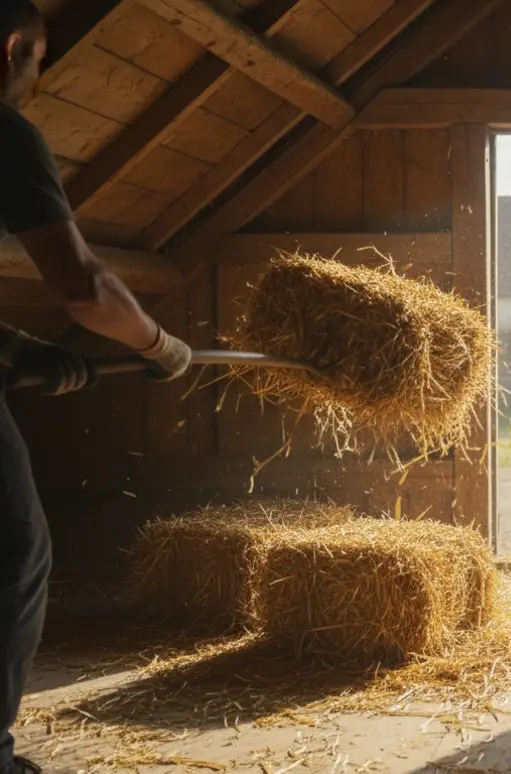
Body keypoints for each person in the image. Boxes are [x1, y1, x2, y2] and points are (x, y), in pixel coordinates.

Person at [0, 2, 192, 771]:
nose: (35, 82)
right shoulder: (6, 135)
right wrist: (162, 344)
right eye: (38, 62)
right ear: (11, 47)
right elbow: (85, 287)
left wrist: (17, 347)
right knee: (16, 552)